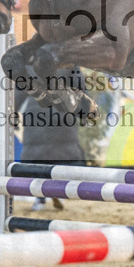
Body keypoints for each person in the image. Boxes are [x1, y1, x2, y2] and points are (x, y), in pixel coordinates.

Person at [16, 67, 88, 211]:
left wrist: (12, 111)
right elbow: (80, 88)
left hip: (36, 115)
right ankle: (57, 191)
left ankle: (40, 198)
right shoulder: (67, 62)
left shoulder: (30, 64)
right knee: (61, 159)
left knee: (38, 161)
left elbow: (19, 92)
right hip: (62, 114)